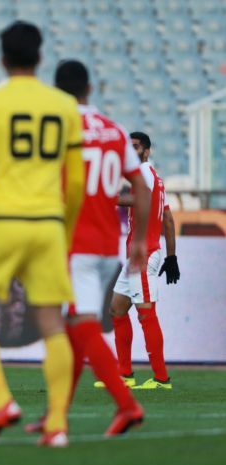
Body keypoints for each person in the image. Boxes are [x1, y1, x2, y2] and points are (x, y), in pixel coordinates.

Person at [0, 21, 85, 447]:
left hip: (4, 222)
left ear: (2, 59)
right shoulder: (64, 106)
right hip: (48, 225)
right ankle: (57, 424)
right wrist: (67, 232)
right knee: (53, 324)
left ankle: (2, 401)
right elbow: (75, 181)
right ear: (40, 58)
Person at [24, 60, 151, 437]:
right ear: (89, 89)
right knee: (73, 332)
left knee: (83, 328)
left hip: (73, 245)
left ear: (57, 92)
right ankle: (55, 413)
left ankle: (127, 406)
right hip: (107, 245)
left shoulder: (57, 129)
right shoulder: (115, 130)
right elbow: (141, 187)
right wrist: (140, 239)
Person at [104, 131, 179, 390]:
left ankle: (161, 379)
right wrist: (171, 256)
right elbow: (167, 219)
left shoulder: (143, 172)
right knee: (117, 309)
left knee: (146, 314)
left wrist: (107, 198)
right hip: (138, 256)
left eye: (135, 146)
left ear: (146, 151)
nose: (131, 150)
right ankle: (125, 374)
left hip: (144, 254)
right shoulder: (155, 178)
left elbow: (140, 200)